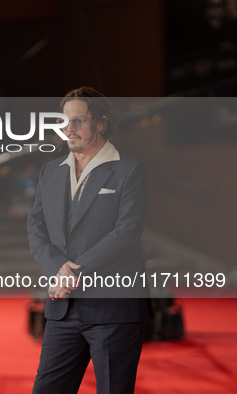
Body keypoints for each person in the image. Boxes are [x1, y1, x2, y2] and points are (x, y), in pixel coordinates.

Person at [27, 87, 152, 393]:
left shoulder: (129, 170)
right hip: (63, 309)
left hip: (114, 309)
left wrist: (75, 273)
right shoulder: (50, 172)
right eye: (65, 122)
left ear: (101, 122)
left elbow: (126, 232)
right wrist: (57, 267)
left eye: (78, 121)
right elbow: (36, 225)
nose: (69, 129)